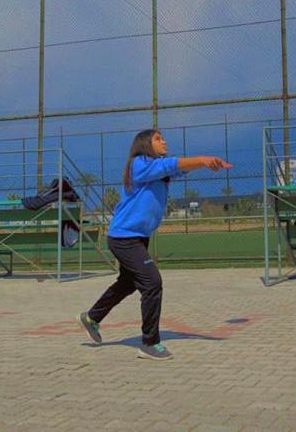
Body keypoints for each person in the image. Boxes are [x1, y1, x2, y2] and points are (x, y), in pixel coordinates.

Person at [78, 128, 232, 360]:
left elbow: (177, 167)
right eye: (158, 139)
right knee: (152, 282)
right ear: (145, 144)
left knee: (128, 283)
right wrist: (203, 159)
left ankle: (92, 317)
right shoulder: (139, 164)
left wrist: (204, 164)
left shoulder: (158, 171)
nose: (164, 142)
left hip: (138, 237)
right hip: (123, 237)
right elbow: (171, 165)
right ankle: (150, 343)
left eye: (163, 138)